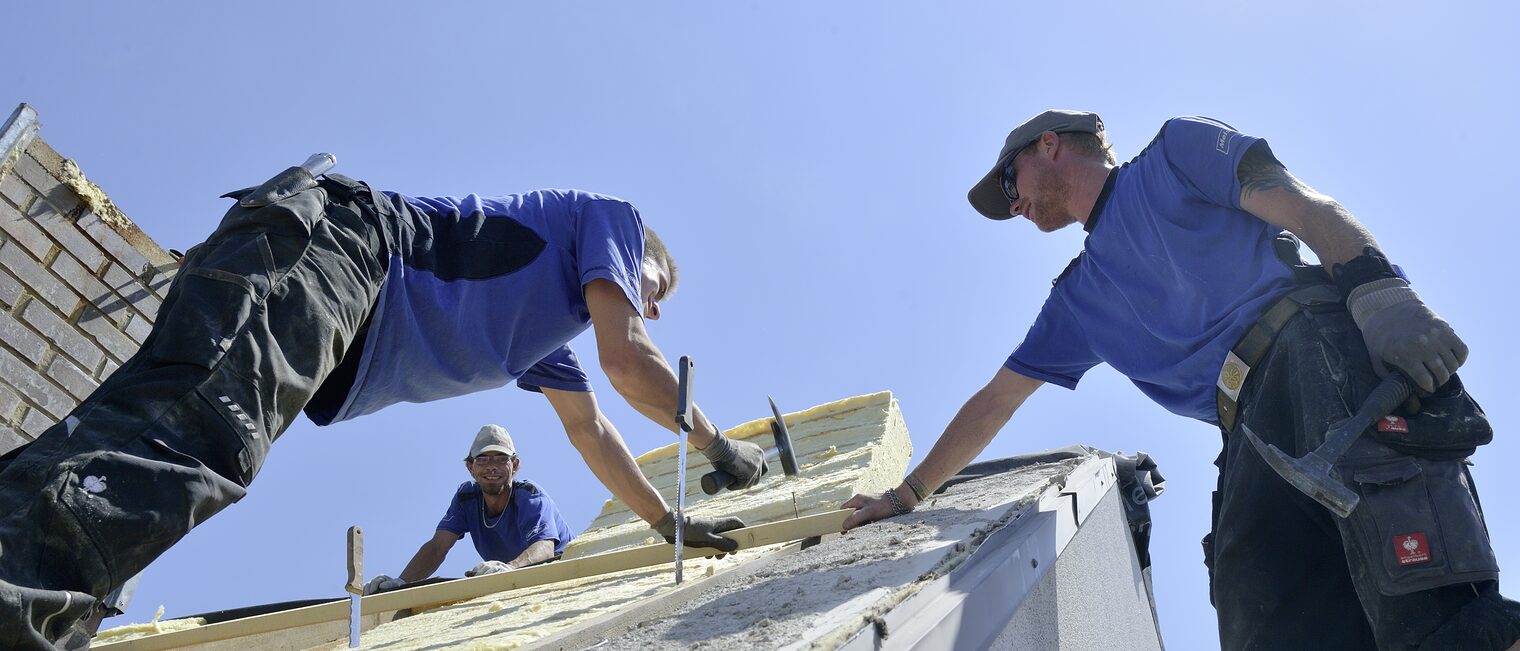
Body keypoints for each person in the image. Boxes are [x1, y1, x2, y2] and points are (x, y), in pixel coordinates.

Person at [0, 166, 761, 648]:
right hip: (337, 254)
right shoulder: (615, 216)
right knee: (193, 442)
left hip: (322, 287)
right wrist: (719, 450)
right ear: (638, 256)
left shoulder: (538, 340)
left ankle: (37, 598)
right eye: (656, 285)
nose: (654, 306)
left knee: (170, 441)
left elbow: (591, 430)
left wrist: (666, 521)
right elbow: (628, 357)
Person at [842, 110, 1520, 649]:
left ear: (1049, 144)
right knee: (1265, 625)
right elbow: (995, 403)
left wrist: (1382, 296)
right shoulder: (1079, 298)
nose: (1012, 204)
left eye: (1009, 184)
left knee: (1438, 619)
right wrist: (908, 492)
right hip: (1250, 438)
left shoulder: (1173, 158)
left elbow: (1304, 206)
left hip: (1314, 355)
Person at [364, 425, 575, 595]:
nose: (491, 466)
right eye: (482, 459)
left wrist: (510, 568)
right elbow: (438, 547)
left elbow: (545, 548)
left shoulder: (529, 495)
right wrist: (400, 583)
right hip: (514, 586)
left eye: (501, 459)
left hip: (564, 578)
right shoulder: (467, 498)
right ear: (470, 468)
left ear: (515, 465)